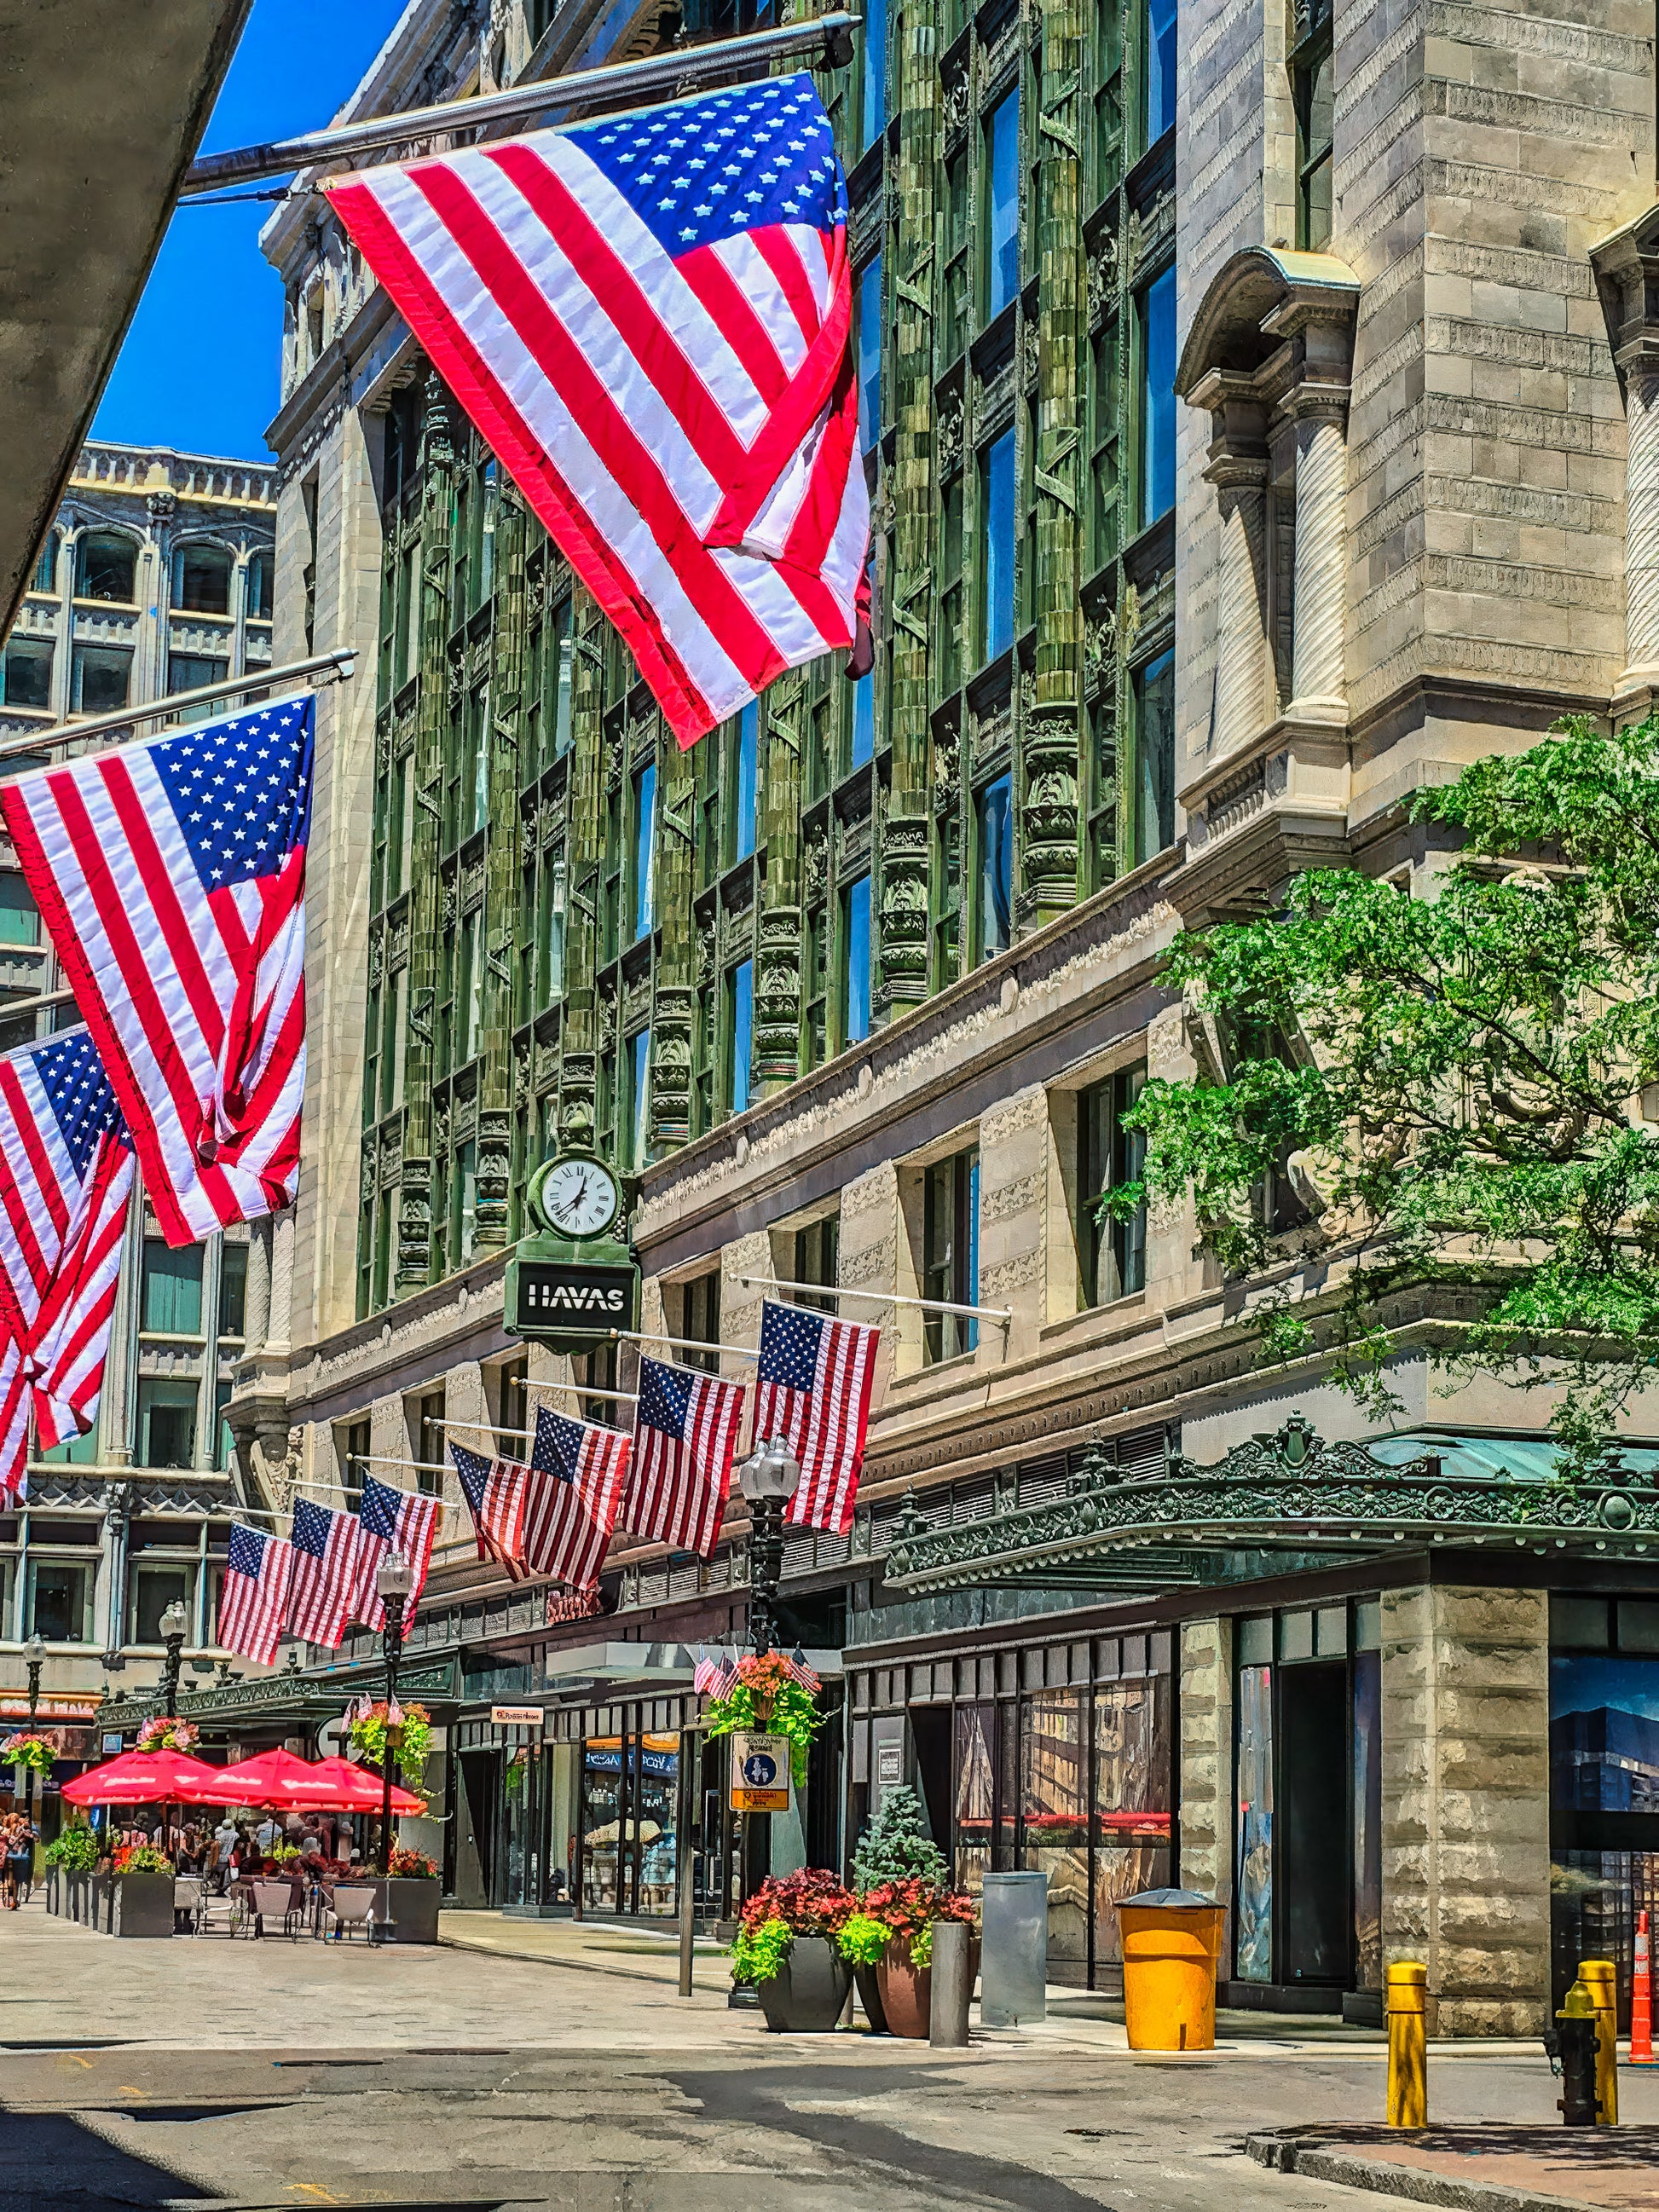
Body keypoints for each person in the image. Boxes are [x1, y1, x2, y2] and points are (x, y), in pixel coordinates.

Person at [6, 1815, 34, 1906]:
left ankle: (16, 1899)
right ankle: (14, 1900)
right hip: (18, 1858)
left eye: (28, 1822)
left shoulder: (27, 1832)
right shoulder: (21, 1831)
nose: (27, 1823)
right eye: (26, 1821)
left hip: (22, 1859)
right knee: (15, 1881)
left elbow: (30, 1836)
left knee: (18, 1880)